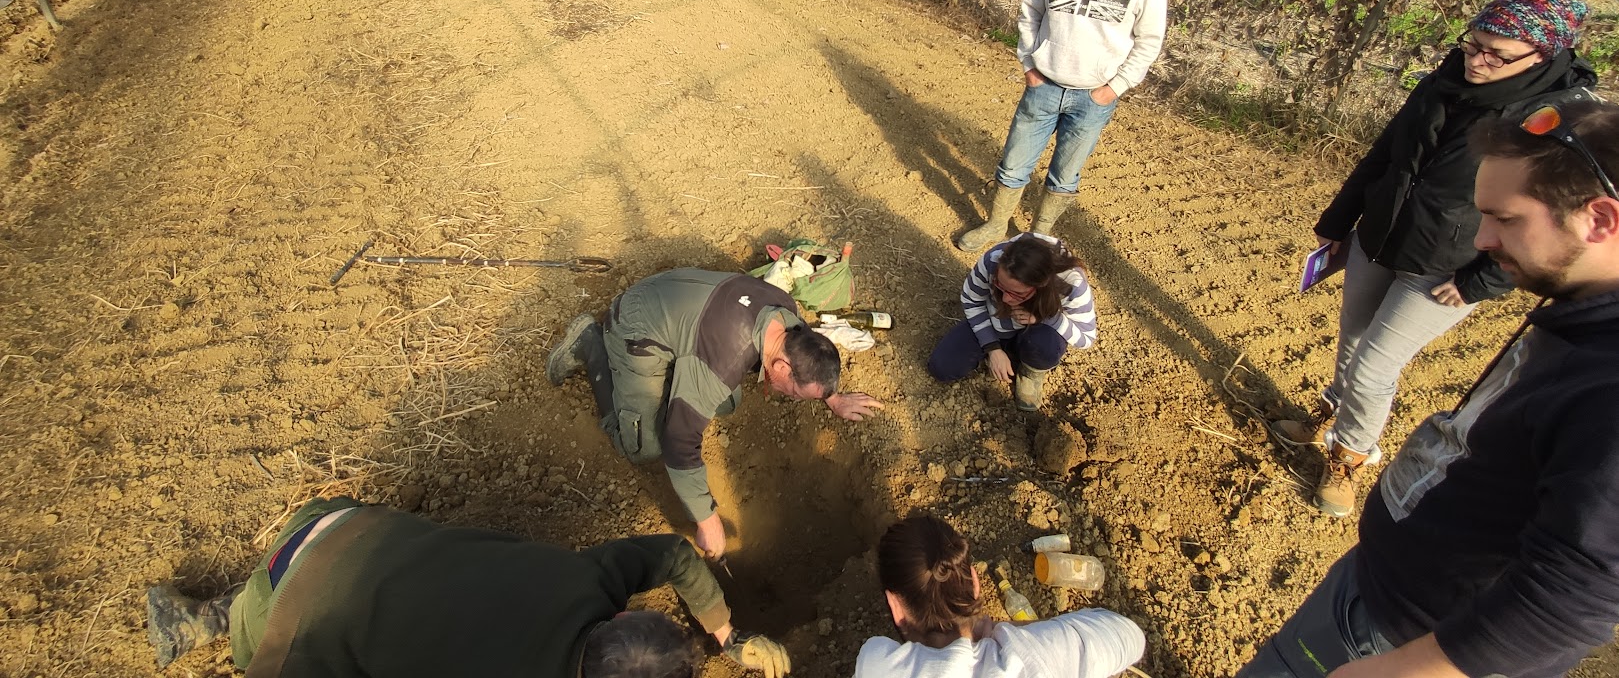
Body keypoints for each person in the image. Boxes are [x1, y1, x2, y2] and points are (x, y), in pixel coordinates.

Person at [1237, 100, 1619, 678]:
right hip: (1386, 592)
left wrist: (1408, 669)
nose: (1483, 239)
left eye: (1505, 219)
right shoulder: (1583, 310)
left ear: (1600, 219)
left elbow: (1574, 593)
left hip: (1403, 638)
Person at [1272, 0, 1596, 517]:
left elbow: (1556, 226)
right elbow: (1387, 153)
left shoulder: (1558, 121)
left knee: (1376, 367)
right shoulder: (1444, 82)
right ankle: (1330, 412)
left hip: (1451, 267)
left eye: (1496, 54)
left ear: (1543, 55)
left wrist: (1481, 281)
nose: (1477, 60)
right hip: (1383, 235)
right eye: (1474, 44)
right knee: (1353, 344)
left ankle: (1350, 456)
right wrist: (1339, 220)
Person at [144, 496, 791, 678]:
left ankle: (251, 592)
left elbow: (677, 555)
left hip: (337, 523)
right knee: (284, 628)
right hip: (293, 618)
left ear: (618, 618)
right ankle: (200, 621)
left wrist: (727, 634)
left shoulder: (590, 580)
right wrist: (731, 637)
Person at [548, 268, 883, 559]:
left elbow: (810, 355)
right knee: (643, 448)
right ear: (782, 366)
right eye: (797, 394)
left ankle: (669, 382)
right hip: (637, 328)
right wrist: (707, 521)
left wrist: (832, 398)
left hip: (679, 306)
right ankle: (591, 343)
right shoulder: (723, 360)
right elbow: (680, 443)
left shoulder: (788, 318)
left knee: (726, 400)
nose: (794, 400)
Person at [956, 0, 1168, 251]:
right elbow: (1031, 10)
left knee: (1065, 175)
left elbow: (1149, 40)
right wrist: (1029, 64)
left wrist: (1112, 89)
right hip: (1044, 83)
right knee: (1013, 163)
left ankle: (1039, 237)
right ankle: (995, 225)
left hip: (1093, 96)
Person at [854, 513, 1144, 678]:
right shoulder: (1030, 659)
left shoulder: (876, 665)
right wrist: (1013, 632)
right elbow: (1128, 635)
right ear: (976, 584)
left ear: (895, 607)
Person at [928, 233, 1097, 411]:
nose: (1007, 299)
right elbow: (971, 300)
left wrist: (1046, 317)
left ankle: (1031, 371)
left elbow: (1086, 338)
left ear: (1041, 286)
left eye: (1018, 293)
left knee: (1045, 345)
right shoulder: (994, 260)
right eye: (1001, 287)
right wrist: (992, 348)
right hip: (994, 323)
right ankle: (1001, 350)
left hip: (1037, 334)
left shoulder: (1070, 285)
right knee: (942, 368)